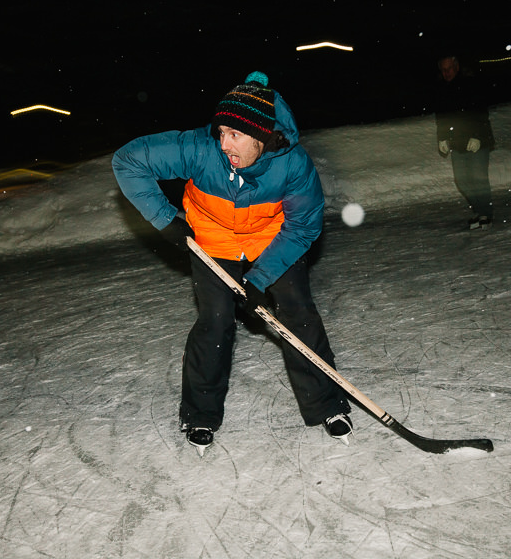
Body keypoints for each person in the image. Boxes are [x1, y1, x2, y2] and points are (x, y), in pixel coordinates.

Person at [112, 71, 352, 456]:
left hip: (272, 239)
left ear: (261, 137)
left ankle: (327, 404)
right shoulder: (201, 148)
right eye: (221, 131)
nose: (223, 143)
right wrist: (164, 219)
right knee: (215, 321)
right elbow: (128, 160)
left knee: (297, 311)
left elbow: (303, 227)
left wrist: (261, 278)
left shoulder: (293, 165)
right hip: (213, 238)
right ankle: (200, 414)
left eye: (234, 135)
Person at [434, 55, 496, 230]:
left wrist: (477, 136)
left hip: (478, 141)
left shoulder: (471, 84)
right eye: (443, 70)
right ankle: (479, 210)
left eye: (450, 69)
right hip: (457, 142)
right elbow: (442, 118)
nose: (447, 73)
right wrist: (442, 139)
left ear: (457, 67)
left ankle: (486, 214)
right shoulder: (441, 90)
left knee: (478, 179)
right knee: (462, 180)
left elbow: (480, 113)